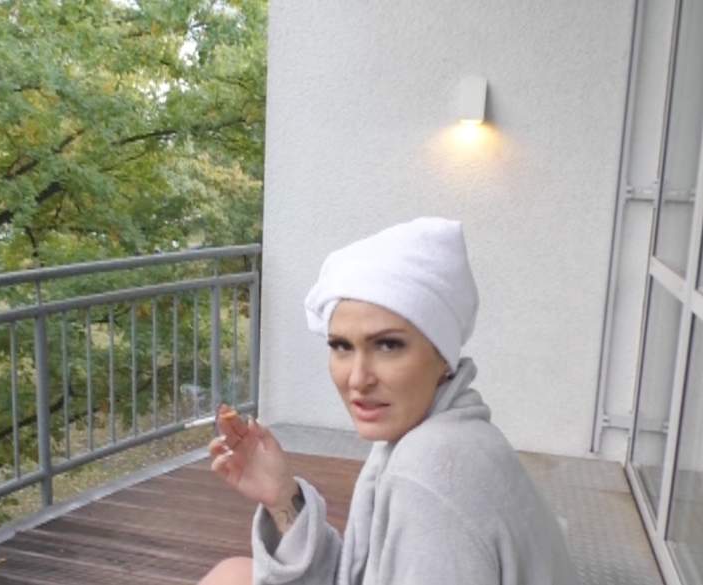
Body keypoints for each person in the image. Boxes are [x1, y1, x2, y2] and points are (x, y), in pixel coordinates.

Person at [199, 218, 580, 585]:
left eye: (388, 345)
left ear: (443, 357)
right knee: (234, 574)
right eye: (342, 346)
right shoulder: (452, 431)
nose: (357, 378)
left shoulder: (431, 470)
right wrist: (282, 498)